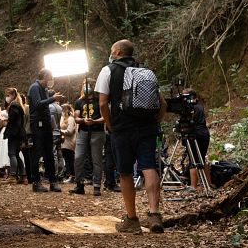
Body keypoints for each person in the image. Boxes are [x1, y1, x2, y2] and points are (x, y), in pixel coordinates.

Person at [96, 39, 167, 234]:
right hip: (147, 127)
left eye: (112, 50)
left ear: (117, 52)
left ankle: (132, 219)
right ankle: (154, 214)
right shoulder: (145, 71)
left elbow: (102, 104)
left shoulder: (108, 70)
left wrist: (111, 125)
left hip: (122, 128)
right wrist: (155, 122)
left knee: (126, 172)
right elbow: (162, 103)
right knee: (149, 167)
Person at [27, 69, 65, 192]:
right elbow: (38, 104)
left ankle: (53, 181)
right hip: (37, 124)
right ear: (44, 77)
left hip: (47, 124)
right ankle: (36, 182)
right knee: (37, 153)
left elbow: (45, 107)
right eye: (50, 77)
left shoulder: (44, 89)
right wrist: (53, 98)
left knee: (49, 153)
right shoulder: (35, 87)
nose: (51, 80)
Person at [70, 80, 106, 196]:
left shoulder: (99, 101)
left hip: (97, 132)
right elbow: (76, 118)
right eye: (84, 85)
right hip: (83, 132)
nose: (85, 87)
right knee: (78, 157)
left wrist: (94, 121)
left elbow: (104, 117)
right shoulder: (79, 102)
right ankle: (79, 184)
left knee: (96, 159)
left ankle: (96, 185)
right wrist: (83, 120)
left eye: (88, 85)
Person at [184, 88, 212, 190]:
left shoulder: (190, 108)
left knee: (193, 160)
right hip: (205, 133)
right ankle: (208, 184)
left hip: (195, 134)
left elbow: (189, 120)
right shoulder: (200, 107)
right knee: (202, 158)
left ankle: (193, 186)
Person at [3, 87, 29, 184]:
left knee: (12, 154)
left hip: (14, 133)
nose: (7, 97)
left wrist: (6, 118)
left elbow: (13, 120)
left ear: (13, 95)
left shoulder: (13, 106)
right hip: (19, 133)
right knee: (17, 155)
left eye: (8, 95)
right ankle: (23, 176)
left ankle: (13, 176)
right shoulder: (20, 105)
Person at [59, 103, 77, 182]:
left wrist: (60, 131)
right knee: (67, 159)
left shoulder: (71, 119)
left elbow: (69, 131)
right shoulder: (64, 118)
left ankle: (72, 176)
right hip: (64, 142)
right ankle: (69, 175)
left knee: (70, 159)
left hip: (69, 142)